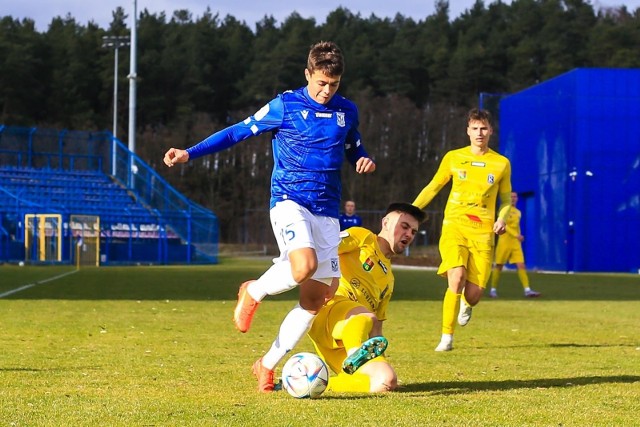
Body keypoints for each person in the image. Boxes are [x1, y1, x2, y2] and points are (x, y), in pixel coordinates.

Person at [163, 41, 376, 392]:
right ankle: (254, 291)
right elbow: (237, 131)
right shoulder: (286, 105)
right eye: (321, 83)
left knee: (316, 299)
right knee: (302, 266)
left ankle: (266, 364)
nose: (326, 91)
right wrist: (190, 153)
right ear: (308, 74)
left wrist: (362, 159)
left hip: (327, 210)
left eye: (333, 85)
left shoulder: (347, 111)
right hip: (290, 200)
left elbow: (353, 145)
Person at [412, 108, 512, 352]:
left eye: (484, 128)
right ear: (467, 131)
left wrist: (501, 219)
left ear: (491, 131)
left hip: (483, 232)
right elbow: (434, 186)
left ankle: (468, 305)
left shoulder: (501, 163)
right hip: (455, 226)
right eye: (475, 128)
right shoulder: (454, 157)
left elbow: (507, 199)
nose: (479, 133)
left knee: (474, 294)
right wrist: (410, 210)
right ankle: (447, 337)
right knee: (456, 278)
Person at [308, 202, 426, 393]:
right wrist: (330, 278)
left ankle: (309, 383)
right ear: (386, 222)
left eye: (413, 231)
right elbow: (325, 247)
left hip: (348, 337)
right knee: (365, 317)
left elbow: (377, 327)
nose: (409, 234)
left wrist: (381, 359)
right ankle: (356, 353)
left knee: (385, 382)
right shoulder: (362, 237)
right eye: (404, 226)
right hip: (328, 310)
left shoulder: (389, 280)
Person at [489, 192, 541, 298]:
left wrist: (518, 236)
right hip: (504, 242)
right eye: (511, 197)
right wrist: (516, 235)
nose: (513, 199)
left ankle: (527, 290)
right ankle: (493, 290)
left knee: (521, 265)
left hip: (515, 243)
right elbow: (504, 225)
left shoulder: (518, 212)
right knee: (499, 266)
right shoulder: (504, 210)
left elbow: (516, 227)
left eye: (515, 197)